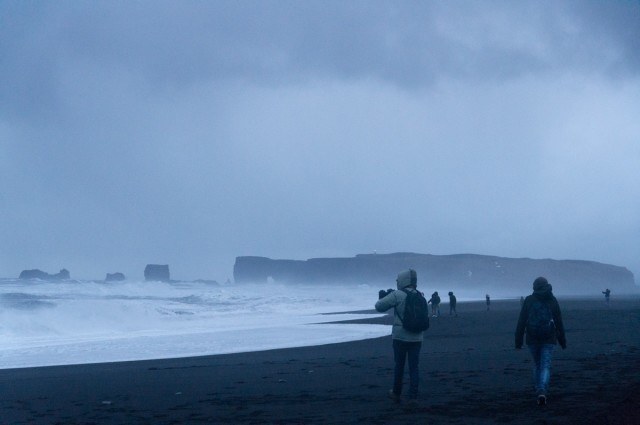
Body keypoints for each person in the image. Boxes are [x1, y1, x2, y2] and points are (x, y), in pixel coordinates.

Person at [375, 269, 425, 405]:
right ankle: (413, 396)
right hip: (417, 337)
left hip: (400, 337)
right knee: (414, 367)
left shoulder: (398, 295)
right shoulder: (421, 295)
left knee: (400, 366)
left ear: (402, 280)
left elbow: (379, 307)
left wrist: (384, 296)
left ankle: (396, 393)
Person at [515, 277, 567, 406]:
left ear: (534, 287)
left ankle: (539, 389)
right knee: (546, 365)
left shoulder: (529, 300)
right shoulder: (552, 300)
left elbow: (521, 321)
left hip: (532, 338)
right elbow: (559, 321)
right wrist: (562, 340)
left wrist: (518, 341)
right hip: (549, 337)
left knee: (537, 364)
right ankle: (542, 390)